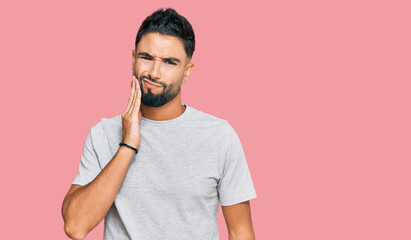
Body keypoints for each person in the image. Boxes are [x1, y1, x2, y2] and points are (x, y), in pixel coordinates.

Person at [61, 7, 257, 240]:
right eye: (146, 57)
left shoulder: (219, 136)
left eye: (169, 62)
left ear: (187, 72)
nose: (154, 72)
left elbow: (240, 231)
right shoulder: (103, 133)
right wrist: (127, 146)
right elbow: (75, 226)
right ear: (133, 59)